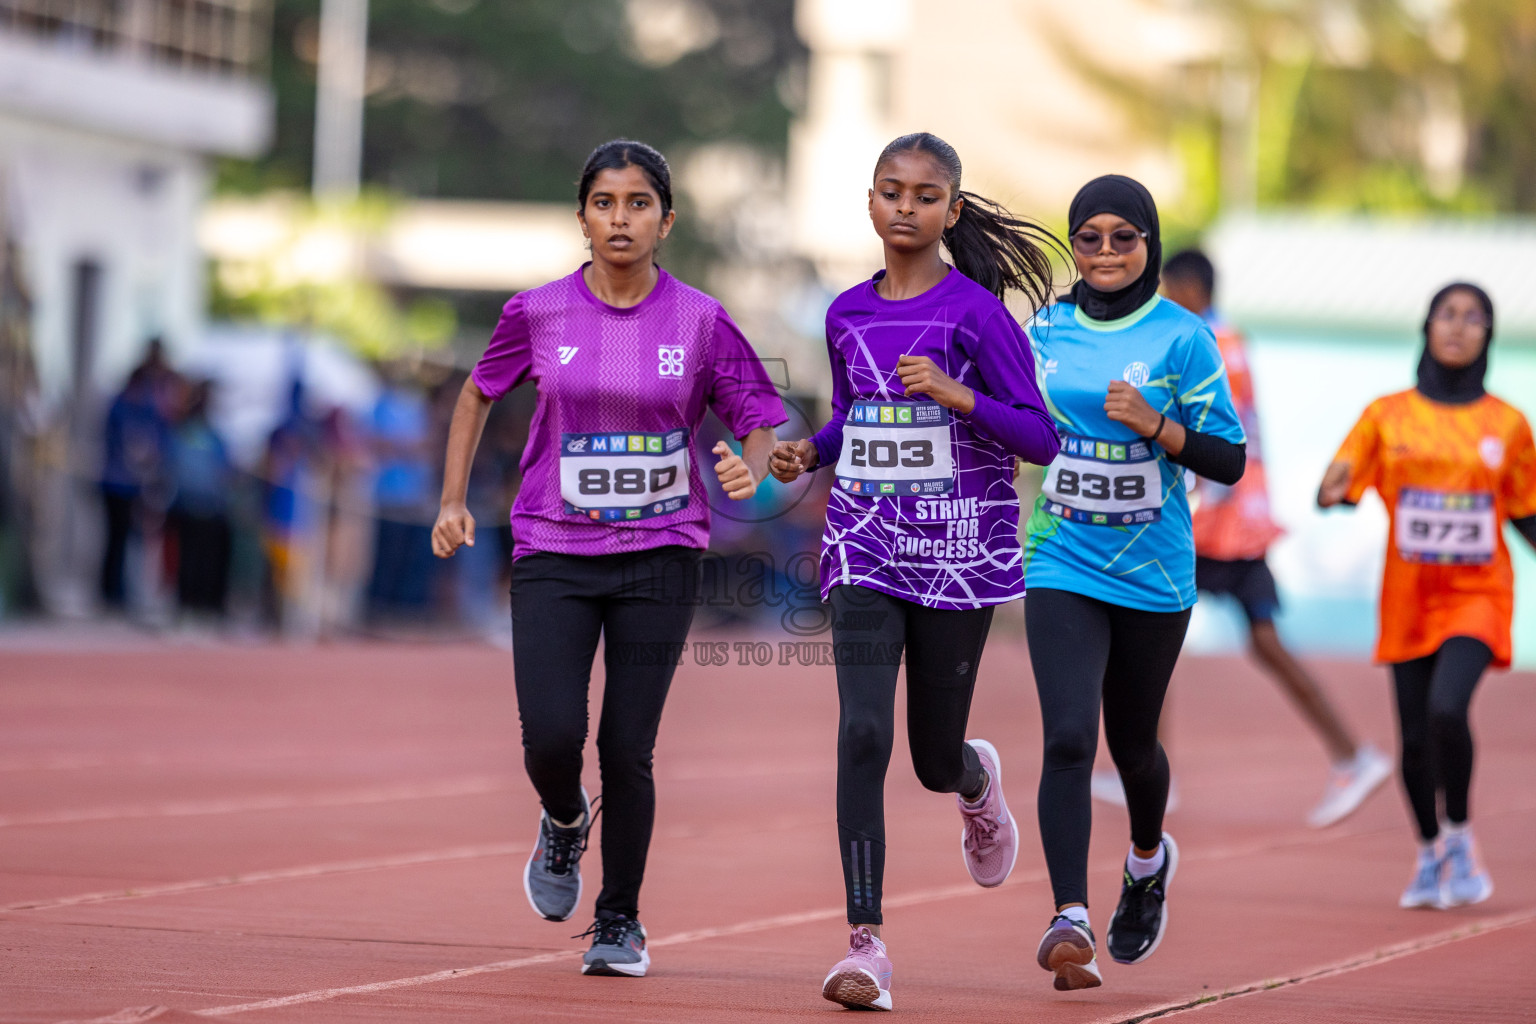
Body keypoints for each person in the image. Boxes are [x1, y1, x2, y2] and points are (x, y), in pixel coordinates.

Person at [432, 139, 785, 977]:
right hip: (554, 544)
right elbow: (479, 392)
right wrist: (450, 499)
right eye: (604, 203)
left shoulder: (700, 318)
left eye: (637, 204)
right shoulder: (538, 312)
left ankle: (619, 920)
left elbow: (759, 414)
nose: (619, 219)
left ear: (667, 220)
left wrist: (751, 466)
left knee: (629, 746)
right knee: (553, 736)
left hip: (660, 554)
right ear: (582, 216)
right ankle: (563, 817)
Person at [769, 132, 1061, 1012]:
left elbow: (1040, 437)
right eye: (890, 191)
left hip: (960, 550)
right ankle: (868, 944)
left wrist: (957, 394)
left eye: (924, 195)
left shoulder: (978, 316)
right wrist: (806, 454)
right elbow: (856, 417)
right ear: (870, 202)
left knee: (931, 756)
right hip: (864, 541)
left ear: (951, 211)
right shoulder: (845, 313)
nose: (905, 207)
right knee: (863, 733)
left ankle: (974, 780)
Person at [1021, 176, 1246, 990]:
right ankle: (1068, 914)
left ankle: (1148, 859)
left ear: (1149, 242)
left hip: (1153, 570)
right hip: (1059, 557)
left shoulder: (1184, 338)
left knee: (1134, 744)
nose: (1107, 252)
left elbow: (1229, 459)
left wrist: (1156, 426)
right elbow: (1016, 420)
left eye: (1125, 236)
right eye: (1090, 237)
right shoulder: (1044, 327)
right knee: (1068, 736)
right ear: (1074, 246)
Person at [1318, 282, 1535, 910]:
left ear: (1489, 335)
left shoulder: (1509, 424)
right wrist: (1330, 490)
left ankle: (1462, 835)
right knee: (1413, 739)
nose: (1459, 327)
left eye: (1474, 318)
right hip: (1408, 598)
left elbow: (1525, 512)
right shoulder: (1387, 415)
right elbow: (1339, 483)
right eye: (1448, 314)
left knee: (1447, 710)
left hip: (1478, 594)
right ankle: (1430, 851)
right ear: (1428, 326)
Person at [1155, 249, 1391, 827]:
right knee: (1262, 643)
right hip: (1241, 518)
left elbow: (1206, 435)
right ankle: (1352, 755)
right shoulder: (1231, 340)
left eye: (1166, 286)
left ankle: (1148, 773)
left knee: (1150, 638)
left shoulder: (1201, 344)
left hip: (1215, 523)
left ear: (1186, 286)